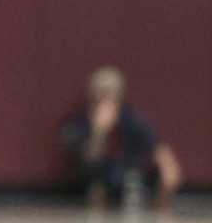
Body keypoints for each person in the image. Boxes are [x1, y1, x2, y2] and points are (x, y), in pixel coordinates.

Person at [61, 65, 182, 209]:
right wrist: (99, 132)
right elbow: (89, 159)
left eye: (112, 92)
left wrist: (167, 170)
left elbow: (159, 150)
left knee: (136, 180)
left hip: (130, 181)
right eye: (102, 92)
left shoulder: (133, 120)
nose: (107, 97)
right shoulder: (79, 124)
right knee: (95, 184)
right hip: (96, 183)